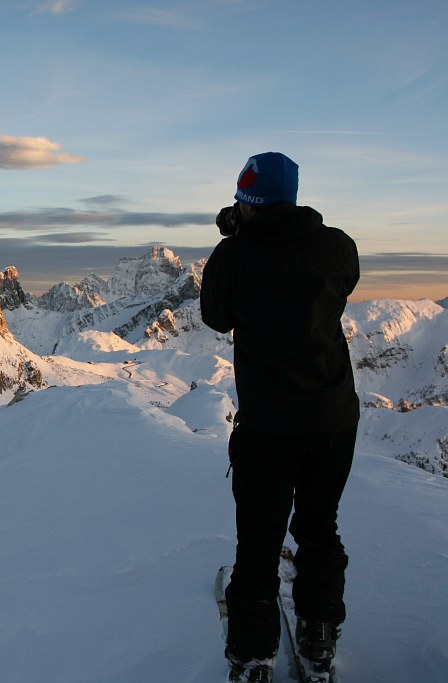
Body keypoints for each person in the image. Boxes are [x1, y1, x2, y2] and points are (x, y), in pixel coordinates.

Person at [200, 152, 360, 683]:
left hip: (268, 427)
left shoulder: (233, 256)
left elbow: (215, 316)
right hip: (333, 421)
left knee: (260, 543)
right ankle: (318, 635)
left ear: (247, 203)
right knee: (319, 530)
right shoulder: (337, 246)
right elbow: (340, 283)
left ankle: (251, 653)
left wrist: (237, 241)